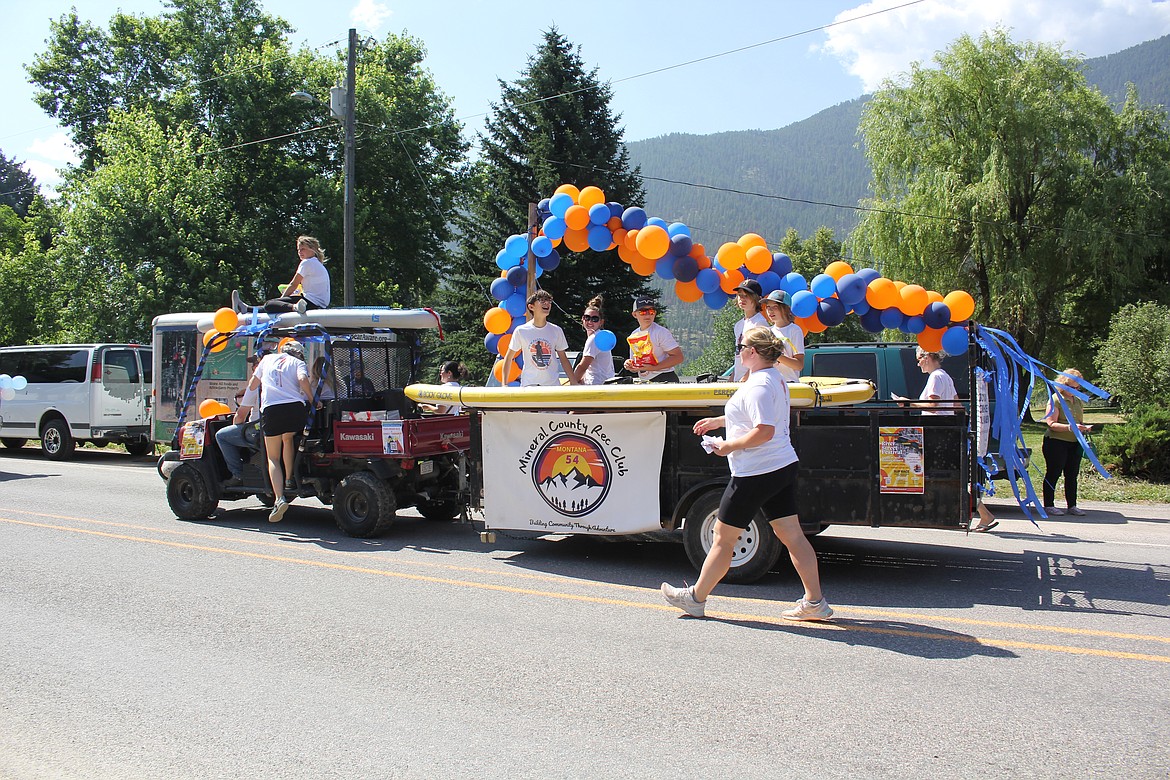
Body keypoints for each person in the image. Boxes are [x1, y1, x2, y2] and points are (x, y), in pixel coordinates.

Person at [661, 327, 832, 621]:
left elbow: (763, 430)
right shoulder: (772, 378)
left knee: (722, 537)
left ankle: (695, 598)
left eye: (741, 346)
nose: (738, 351)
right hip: (779, 465)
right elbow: (752, 416)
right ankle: (815, 602)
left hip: (756, 471)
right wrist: (718, 421)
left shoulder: (759, 385)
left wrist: (728, 446)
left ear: (753, 352)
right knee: (791, 535)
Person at [247, 340, 313, 522]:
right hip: (295, 409)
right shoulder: (298, 363)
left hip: (272, 410)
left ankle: (279, 498)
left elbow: (253, 384)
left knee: (272, 457)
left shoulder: (267, 360)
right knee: (288, 439)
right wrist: (312, 399)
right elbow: (302, 380)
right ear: (299, 353)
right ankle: (289, 478)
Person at [232, 235, 331, 315]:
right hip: (318, 303)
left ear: (312, 249)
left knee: (270, 304)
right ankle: (246, 309)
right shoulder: (318, 264)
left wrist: (280, 301)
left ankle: (295, 307)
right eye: (298, 250)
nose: (300, 252)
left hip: (310, 302)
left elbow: (293, 284)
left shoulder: (307, 263)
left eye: (303, 249)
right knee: (272, 305)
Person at [502, 289, 580, 387]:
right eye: (542, 300)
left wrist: (573, 382)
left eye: (549, 301)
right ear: (531, 306)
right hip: (529, 386)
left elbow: (563, 359)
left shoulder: (556, 330)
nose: (547, 303)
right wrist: (504, 384)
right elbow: (509, 358)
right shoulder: (521, 331)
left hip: (552, 386)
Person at [1042, 369, 1092, 516]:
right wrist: (1070, 427)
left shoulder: (1077, 401)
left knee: (1072, 474)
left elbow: (1079, 420)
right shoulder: (1056, 399)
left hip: (1073, 442)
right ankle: (1049, 505)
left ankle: (1072, 505)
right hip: (1056, 442)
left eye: (1078, 388)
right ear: (1063, 385)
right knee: (1054, 472)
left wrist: (1084, 427)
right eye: (1072, 387)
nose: (1075, 390)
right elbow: (1051, 423)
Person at [215, 353, 262, 486]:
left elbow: (240, 416)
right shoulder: (282, 383)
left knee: (222, 436)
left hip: (258, 430)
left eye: (255, 365)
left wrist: (237, 426)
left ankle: (238, 474)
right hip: (276, 428)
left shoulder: (255, 385)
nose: (253, 368)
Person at [624, 296, 684, 382]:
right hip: (645, 381)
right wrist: (629, 364)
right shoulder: (634, 335)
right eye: (643, 312)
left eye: (651, 311)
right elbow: (636, 366)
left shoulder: (661, 332)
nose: (648, 315)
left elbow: (678, 357)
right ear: (634, 314)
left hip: (665, 378)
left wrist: (654, 367)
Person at [760, 290, 805, 382]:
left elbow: (799, 365)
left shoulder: (794, 330)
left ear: (786, 309)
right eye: (768, 307)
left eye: (775, 307)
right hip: (771, 383)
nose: (770, 310)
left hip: (789, 384)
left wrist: (776, 355)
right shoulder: (768, 331)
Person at [893, 349, 957, 414]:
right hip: (946, 422)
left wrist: (908, 403)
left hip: (935, 423)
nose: (918, 364)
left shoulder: (935, 376)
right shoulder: (946, 377)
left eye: (919, 360)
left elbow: (932, 406)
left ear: (927, 357)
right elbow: (957, 405)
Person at [732, 279, 769, 381]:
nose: (742, 299)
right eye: (740, 295)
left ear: (756, 299)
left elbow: (762, 356)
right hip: (739, 380)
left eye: (746, 296)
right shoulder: (739, 325)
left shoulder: (760, 323)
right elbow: (738, 356)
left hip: (753, 380)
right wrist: (732, 379)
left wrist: (746, 378)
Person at [573, 295, 615, 386]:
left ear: (601, 322)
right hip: (604, 384)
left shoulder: (594, 338)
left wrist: (571, 384)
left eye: (594, 319)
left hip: (597, 386)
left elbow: (582, 367)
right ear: (582, 319)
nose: (590, 322)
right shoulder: (599, 336)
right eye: (587, 318)